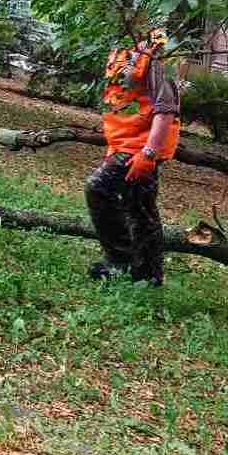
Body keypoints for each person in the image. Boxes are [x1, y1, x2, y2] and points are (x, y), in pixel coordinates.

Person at [84, 28, 181, 285]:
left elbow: (166, 108)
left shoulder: (157, 51)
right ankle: (148, 275)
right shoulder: (119, 49)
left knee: (98, 189)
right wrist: (112, 149)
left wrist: (148, 154)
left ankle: (121, 262)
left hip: (142, 147)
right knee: (139, 207)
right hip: (124, 144)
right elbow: (120, 104)